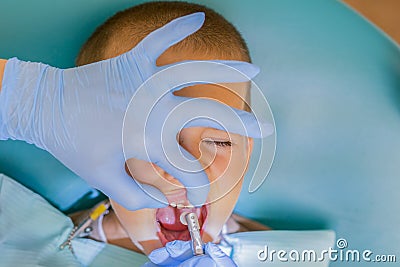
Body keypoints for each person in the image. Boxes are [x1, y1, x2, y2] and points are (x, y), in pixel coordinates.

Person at [68, 2, 273, 266]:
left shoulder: (281, 256)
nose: (187, 168)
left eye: (218, 140)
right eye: (151, 139)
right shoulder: (24, 241)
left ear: (246, 153)